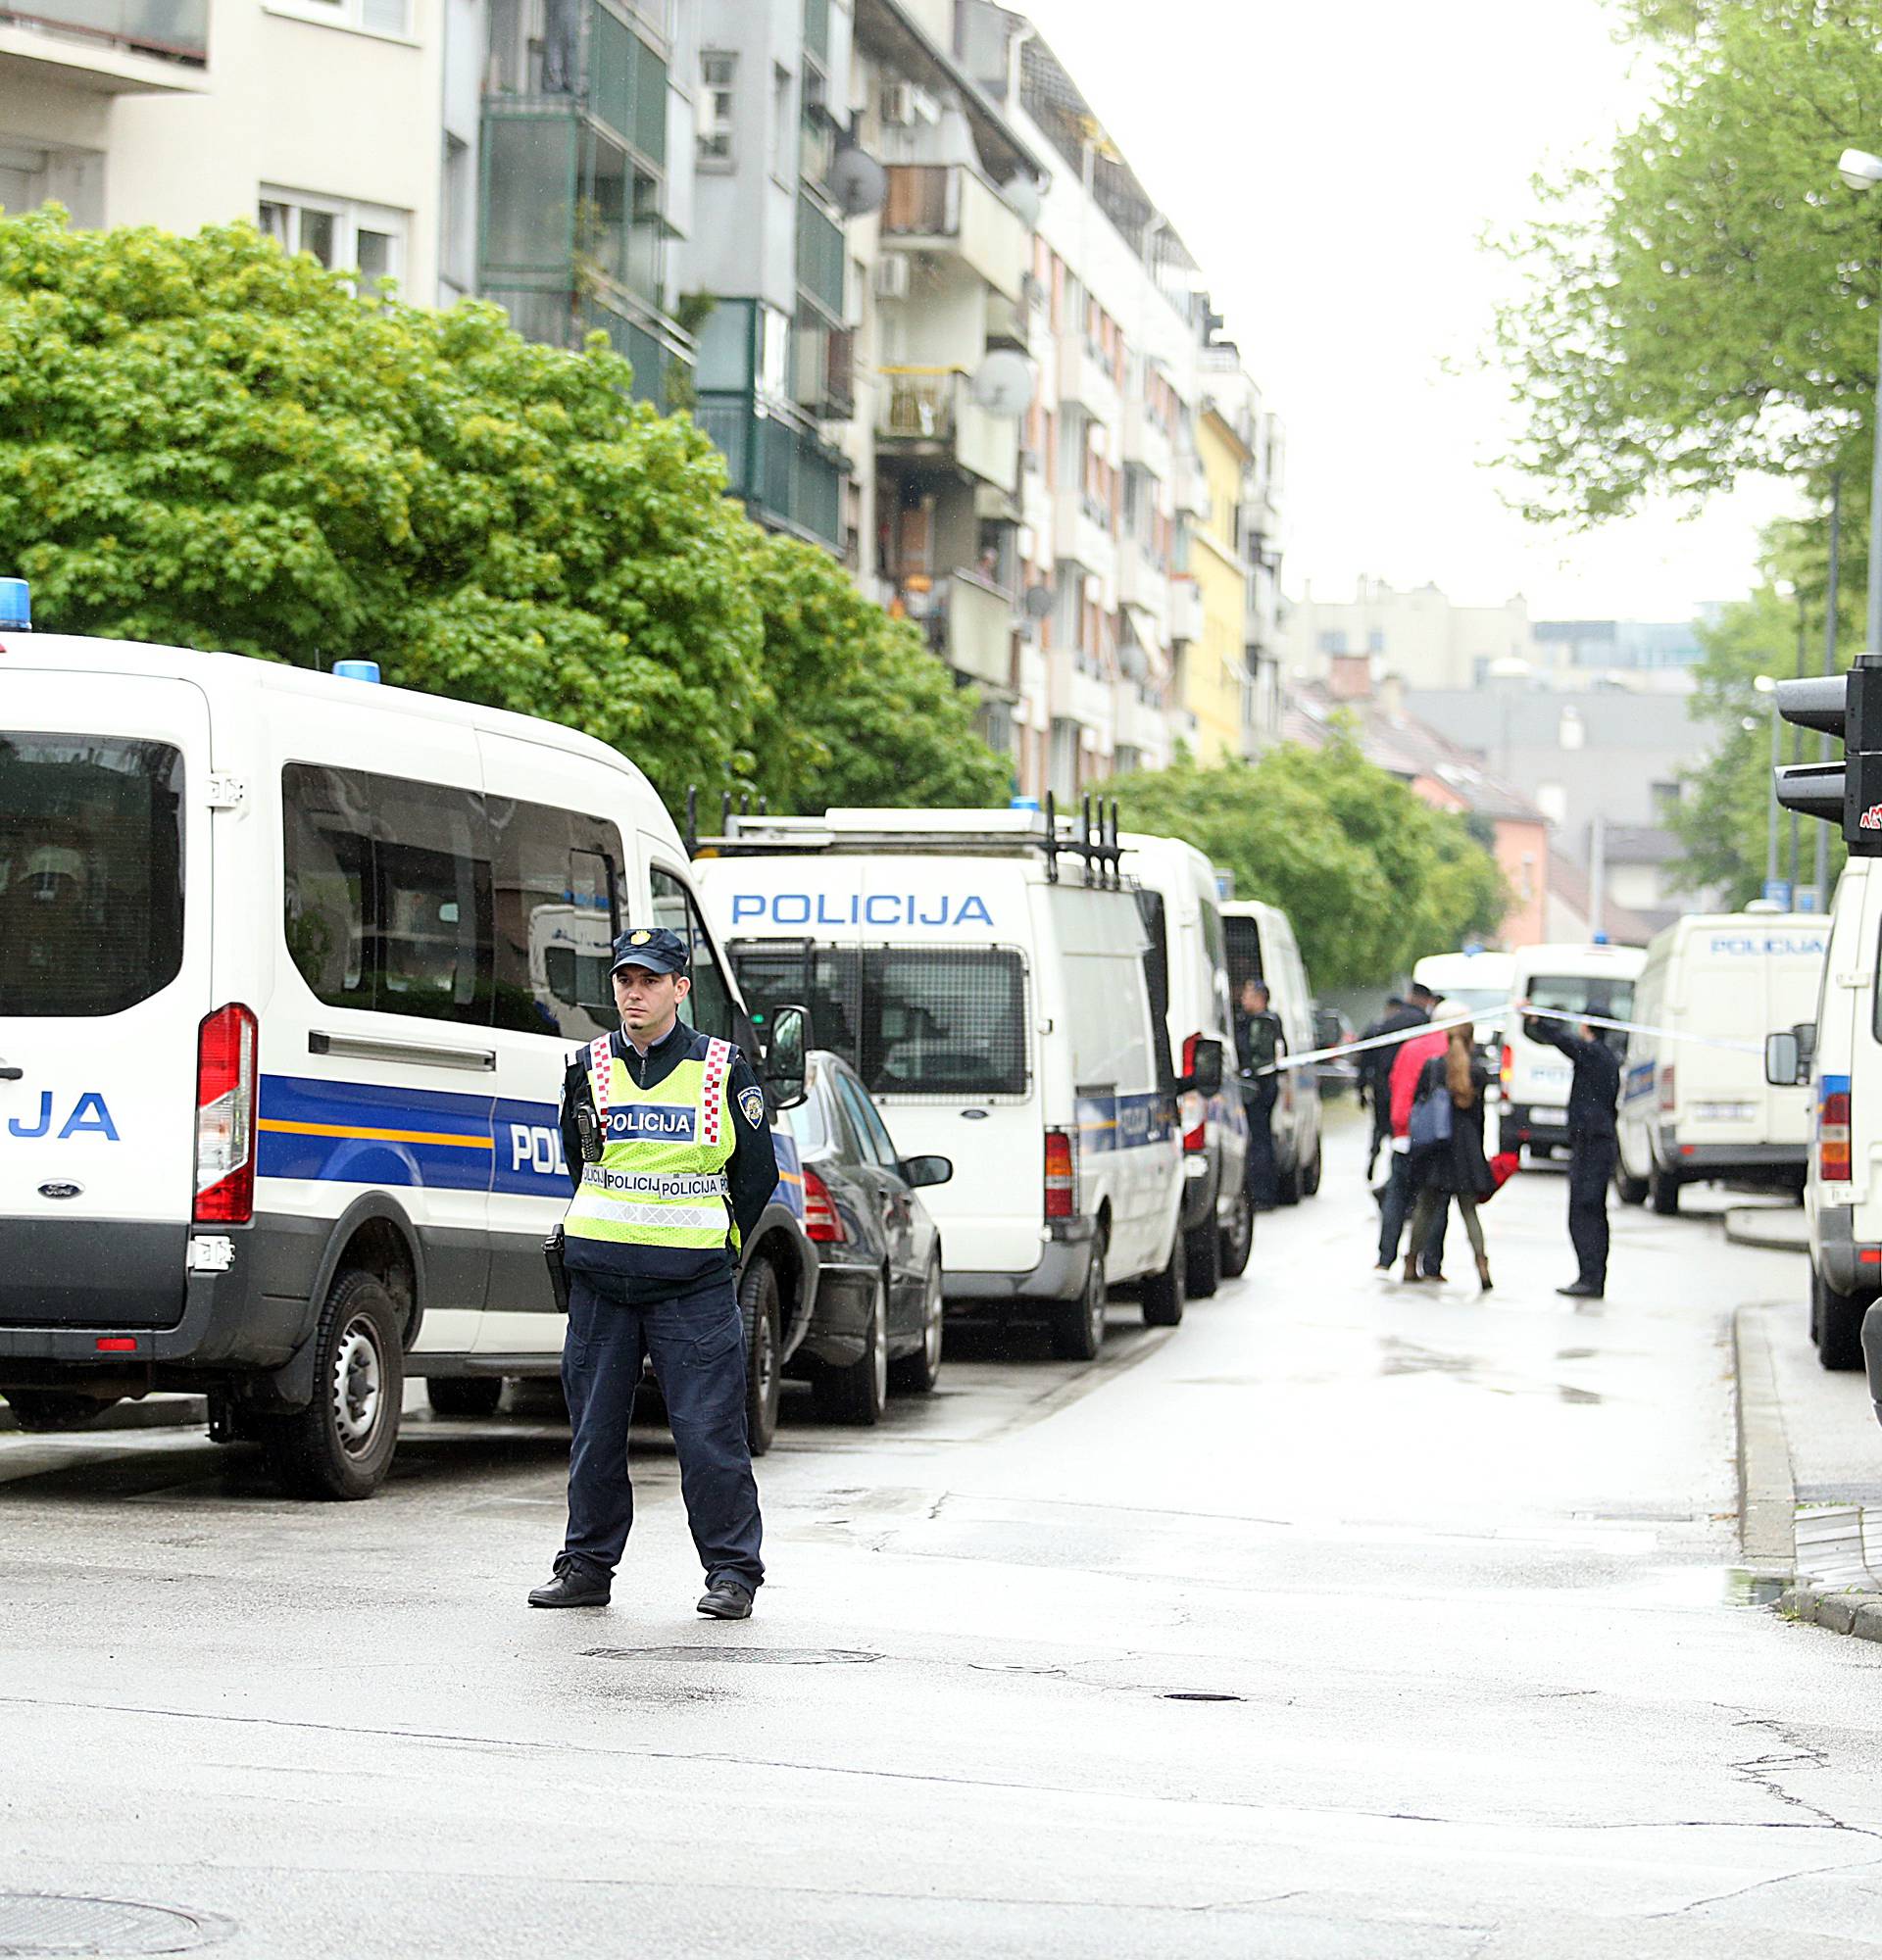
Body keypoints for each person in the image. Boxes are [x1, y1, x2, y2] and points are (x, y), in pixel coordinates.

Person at [528, 926, 778, 1617]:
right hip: (602, 1284)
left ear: (680, 989)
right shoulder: (587, 1066)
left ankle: (732, 1574)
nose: (634, 994)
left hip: (692, 1290)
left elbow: (755, 1176)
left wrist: (716, 1246)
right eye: (624, 981)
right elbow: (583, 1165)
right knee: (594, 1436)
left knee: (709, 1437)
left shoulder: (723, 1067)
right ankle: (585, 1566)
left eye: (649, 981)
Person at [1520, 1003, 1621, 1299]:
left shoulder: (1595, 1055)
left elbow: (1563, 1041)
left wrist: (1537, 1020)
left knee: (1584, 1210)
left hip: (1593, 1143)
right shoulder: (1603, 1056)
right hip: (1591, 1142)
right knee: (1588, 1210)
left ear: (1587, 1026)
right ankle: (1590, 1276)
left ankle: (1590, 1277)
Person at [1403, 1022, 1495, 1292]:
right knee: (1469, 1211)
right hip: (1465, 1150)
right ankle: (1481, 1264)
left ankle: (1410, 1262)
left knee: (1426, 1207)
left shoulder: (1434, 1068)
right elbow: (1479, 1117)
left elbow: (1419, 1103)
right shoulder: (1478, 1073)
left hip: (1438, 1147)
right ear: (1471, 1041)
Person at [1378, 996, 1451, 1277]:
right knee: (1434, 1200)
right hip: (1434, 1138)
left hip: (1403, 1132)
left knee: (1396, 1195)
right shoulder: (1448, 1050)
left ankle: (1386, 1256)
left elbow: (1396, 1083)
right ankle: (1430, 1263)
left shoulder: (1411, 1046)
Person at [1359, 992, 1430, 1177]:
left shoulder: (1381, 1025)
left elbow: (1365, 1059)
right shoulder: (1423, 1021)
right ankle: (1396, 1177)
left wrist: (1361, 1087)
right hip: (1407, 1086)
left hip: (1382, 1086)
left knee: (1380, 1127)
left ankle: (1375, 1157)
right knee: (1401, 1136)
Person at [1234, 977, 1283, 1209]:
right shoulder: (1269, 1021)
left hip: (1257, 1089)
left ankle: (1262, 1194)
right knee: (1261, 1140)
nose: (1243, 999)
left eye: (1248, 994)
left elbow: (1249, 1053)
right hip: (1265, 1086)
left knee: (1259, 1141)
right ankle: (1262, 1192)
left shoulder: (1260, 1024)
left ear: (1261, 998)